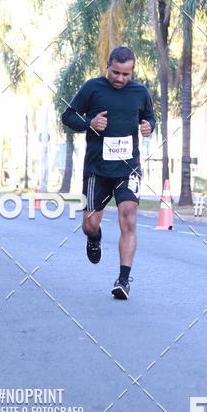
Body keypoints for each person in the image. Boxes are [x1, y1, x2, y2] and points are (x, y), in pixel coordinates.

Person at [61, 46, 156, 300]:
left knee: (129, 217)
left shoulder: (140, 92)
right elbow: (67, 116)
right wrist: (89, 123)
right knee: (90, 224)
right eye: (116, 72)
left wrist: (149, 126)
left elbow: (150, 118)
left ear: (132, 72)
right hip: (97, 169)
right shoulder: (92, 88)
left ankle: (123, 280)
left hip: (128, 168)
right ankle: (95, 237)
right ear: (108, 66)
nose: (120, 78)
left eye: (126, 74)